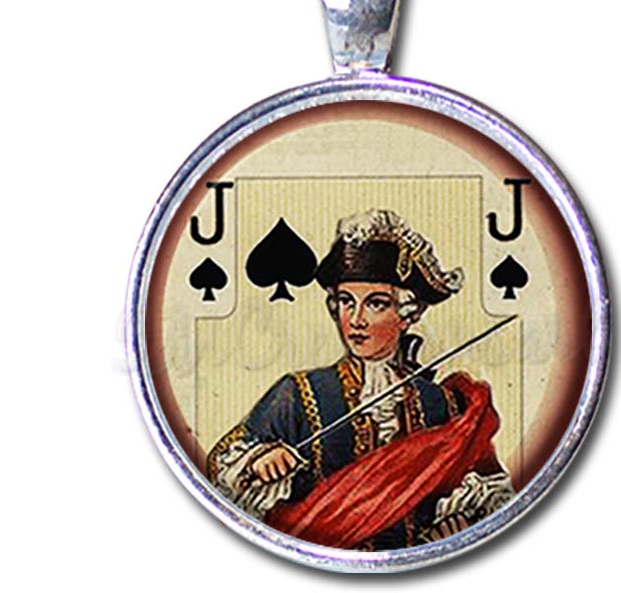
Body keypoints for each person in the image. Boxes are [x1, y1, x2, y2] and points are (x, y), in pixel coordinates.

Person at [207, 209, 513, 550]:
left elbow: (496, 500)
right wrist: (259, 461)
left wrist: (459, 529)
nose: (356, 319)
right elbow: (222, 467)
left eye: (376, 304)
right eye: (346, 301)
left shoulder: (445, 405)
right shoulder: (297, 394)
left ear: (406, 314)